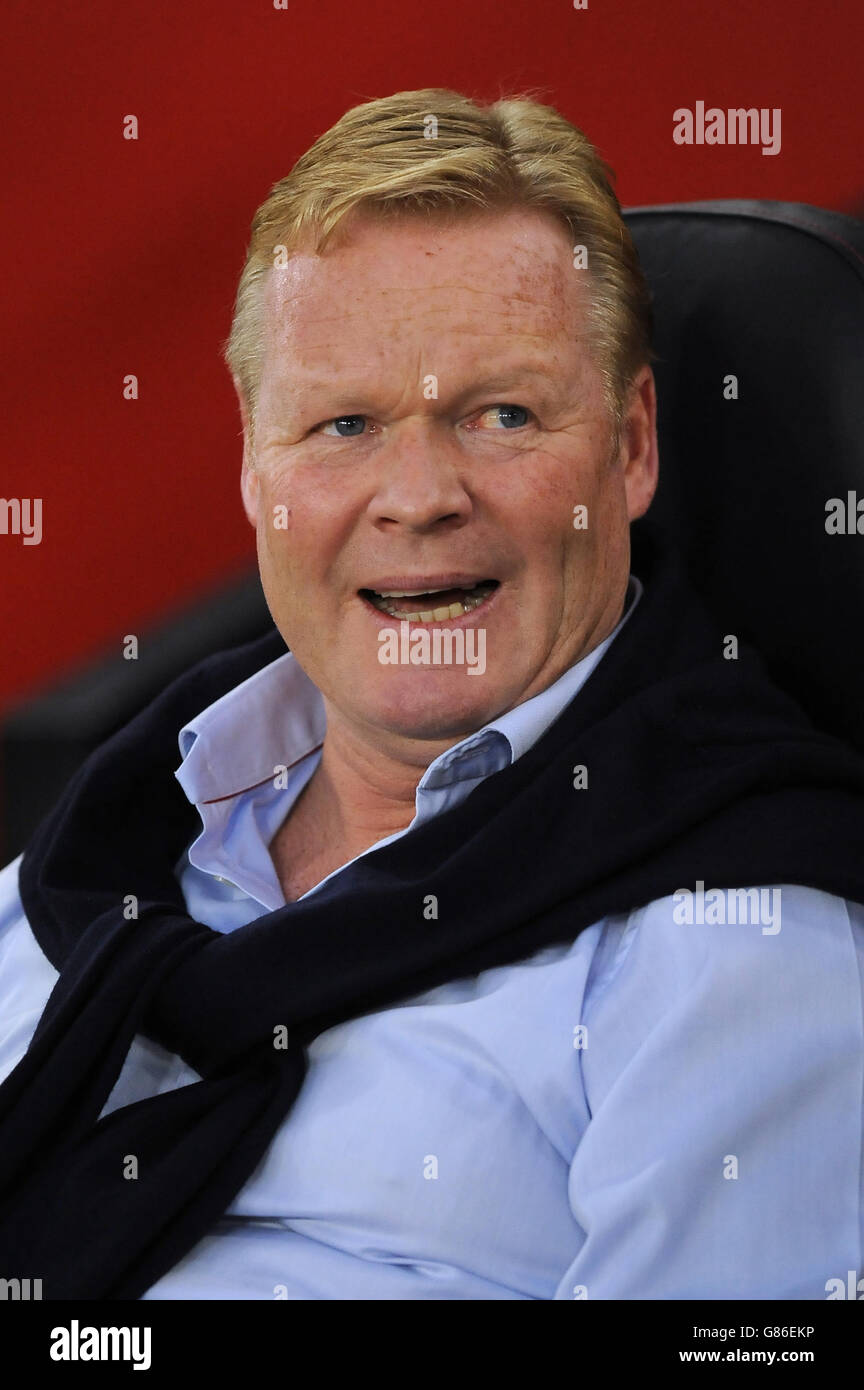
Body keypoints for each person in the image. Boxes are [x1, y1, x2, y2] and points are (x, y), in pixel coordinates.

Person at [1, 87, 863, 1302]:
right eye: (344, 423)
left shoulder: (743, 954)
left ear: (631, 447)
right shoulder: (113, 833)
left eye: (501, 413)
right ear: (255, 464)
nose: (417, 495)